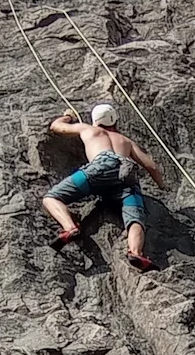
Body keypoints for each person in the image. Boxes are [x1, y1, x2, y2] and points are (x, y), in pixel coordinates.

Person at [41, 102, 167, 271]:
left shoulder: (89, 130)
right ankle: (136, 252)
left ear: (95, 120)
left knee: (52, 197)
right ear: (115, 122)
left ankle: (69, 228)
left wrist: (68, 116)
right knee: (135, 217)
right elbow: (151, 166)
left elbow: (57, 127)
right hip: (125, 176)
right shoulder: (125, 141)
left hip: (99, 169)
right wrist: (163, 186)